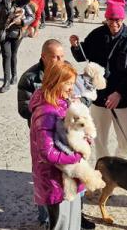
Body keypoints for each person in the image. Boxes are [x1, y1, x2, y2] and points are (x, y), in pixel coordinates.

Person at [70, 0, 127, 159]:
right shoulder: (97, 34)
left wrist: (119, 93)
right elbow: (83, 56)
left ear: (122, 18)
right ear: (106, 18)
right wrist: (75, 46)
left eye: (117, 20)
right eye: (110, 19)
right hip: (99, 96)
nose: (114, 24)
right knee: (99, 138)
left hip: (122, 97)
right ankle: (104, 167)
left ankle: (118, 162)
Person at [29, 62, 85, 230]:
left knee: (72, 224)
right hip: (56, 181)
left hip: (67, 177)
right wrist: (77, 156)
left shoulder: (62, 103)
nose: (71, 88)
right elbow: (47, 153)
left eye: (72, 83)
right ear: (55, 82)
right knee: (62, 225)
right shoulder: (46, 111)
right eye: (68, 83)